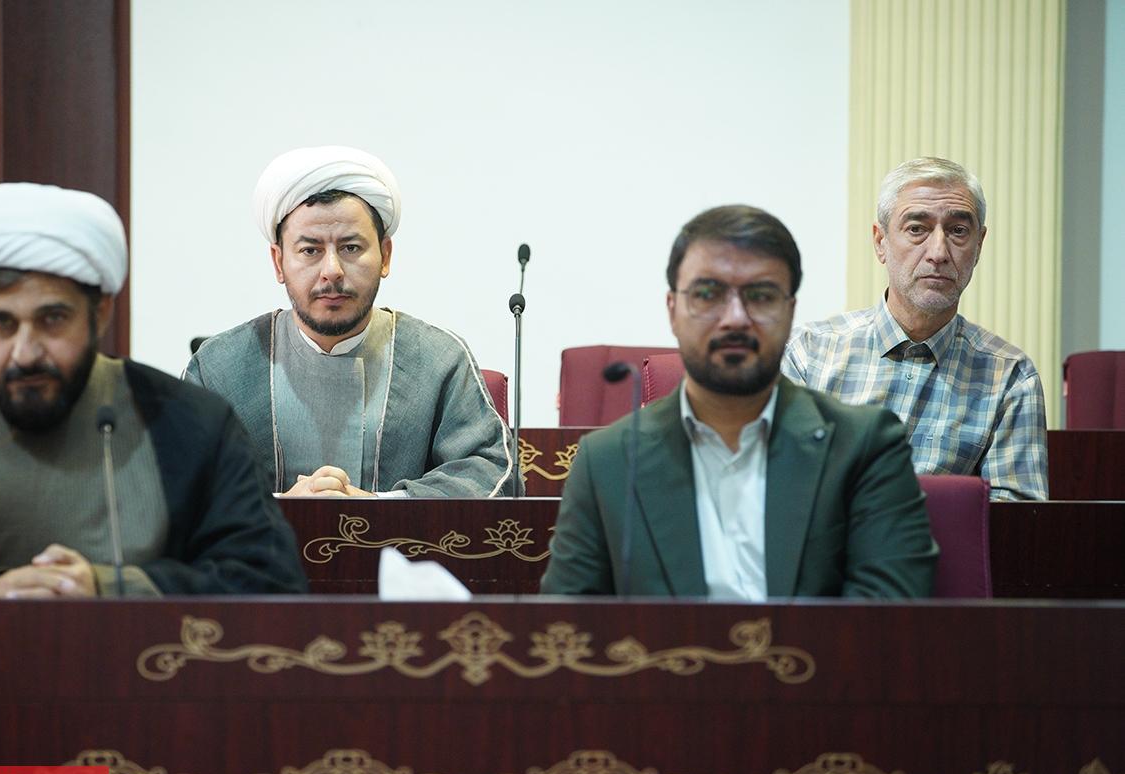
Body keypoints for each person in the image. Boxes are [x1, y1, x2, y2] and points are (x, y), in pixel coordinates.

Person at [0, 182, 307, 598]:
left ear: (100, 312)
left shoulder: (191, 424)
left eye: (52, 319)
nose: (25, 352)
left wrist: (107, 587)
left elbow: (269, 578)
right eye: (1, 323)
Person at [541, 205, 936, 598]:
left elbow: (888, 617)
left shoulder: (864, 446)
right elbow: (567, 622)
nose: (735, 318)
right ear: (673, 311)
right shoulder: (608, 461)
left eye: (760, 296)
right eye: (707, 294)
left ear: (790, 311)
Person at [184, 146, 515, 498]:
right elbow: (179, 485)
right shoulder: (219, 366)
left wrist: (379, 506)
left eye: (351, 248)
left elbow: (493, 475)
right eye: (310, 250)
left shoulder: (438, 359)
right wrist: (280, 506)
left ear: (385, 256)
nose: (332, 271)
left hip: (398, 537)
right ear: (278, 262)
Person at [782, 157, 1047, 501]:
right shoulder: (808, 354)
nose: (938, 253)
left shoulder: (1010, 377)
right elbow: (777, 492)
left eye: (958, 231)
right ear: (880, 242)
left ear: (979, 245)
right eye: (917, 229)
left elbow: (1015, 520)